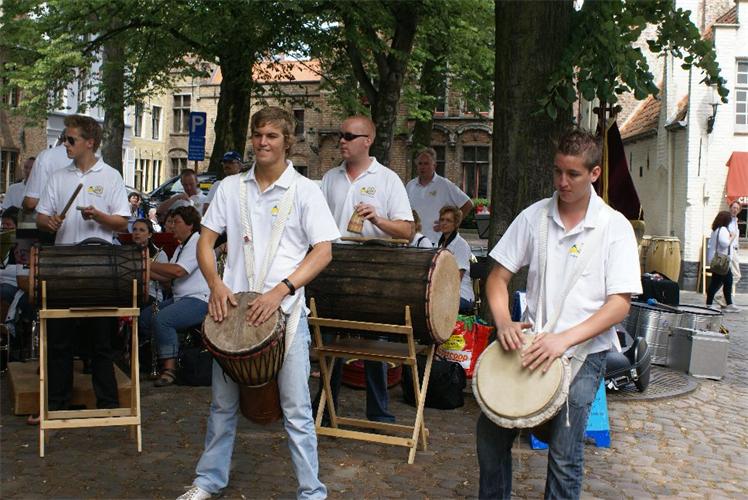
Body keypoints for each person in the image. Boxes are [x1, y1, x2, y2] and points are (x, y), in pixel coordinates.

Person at [179, 106, 338, 500]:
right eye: (258, 135)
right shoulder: (230, 188)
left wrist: (282, 289)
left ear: (288, 141)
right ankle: (208, 480)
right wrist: (215, 284)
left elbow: (323, 251)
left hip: (286, 314)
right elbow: (205, 241)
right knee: (221, 406)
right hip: (232, 313)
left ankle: (311, 492)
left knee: (297, 410)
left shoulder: (306, 191)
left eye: (272, 136)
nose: (262, 142)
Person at [476, 129, 641, 499]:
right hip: (532, 345)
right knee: (491, 433)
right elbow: (498, 277)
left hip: (585, 350)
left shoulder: (614, 227)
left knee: (565, 451)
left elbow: (619, 303)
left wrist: (563, 340)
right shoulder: (534, 217)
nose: (562, 182)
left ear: (594, 174)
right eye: (557, 171)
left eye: (573, 174)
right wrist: (503, 321)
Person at [316, 115, 413, 426]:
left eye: (348, 136)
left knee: (374, 341)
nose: (341, 141)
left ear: (367, 140)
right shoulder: (330, 177)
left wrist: (378, 219)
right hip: (334, 265)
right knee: (328, 339)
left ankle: (378, 411)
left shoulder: (388, 179)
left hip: (373, 268)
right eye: (340, 134)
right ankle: (325, 408)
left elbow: (407, 230)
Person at [35, 114, 130, 412]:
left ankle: (108, 404)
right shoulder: (58, 177)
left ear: (90, 142)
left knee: (101, 342)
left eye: (71, 139)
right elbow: (40, 216)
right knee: (59, 341)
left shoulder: (111, 176)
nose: (65, 144)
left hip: (99, 267)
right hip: (63, 266)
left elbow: (122, 222)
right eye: (65, 138)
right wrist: (48, 222)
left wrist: (99, 216)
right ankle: (57, 404)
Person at [145, 206, 210, 387]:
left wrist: (147, 263)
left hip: (199, 299)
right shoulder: (182, 246)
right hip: (181, 299)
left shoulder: (197, 243)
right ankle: (154, 361)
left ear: (190, 225)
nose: (172, 226)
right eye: (171, 222)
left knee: (163, 320)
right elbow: (167, 277)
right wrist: (143, 270)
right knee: (144, 318)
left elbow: (178, 271)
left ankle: (170, 370)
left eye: (177, 222)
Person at [405, 147, 472, 244]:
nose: (422, 167)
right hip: (414, 241)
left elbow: (468, 204)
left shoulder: (445, 184)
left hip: (437, 241)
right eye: (420, 163)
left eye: (426, 163)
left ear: (434, 165)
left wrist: (453, 225)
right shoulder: (410, 186)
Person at [437, 205, 475, 314]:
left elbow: (457, 278)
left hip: (462, 296)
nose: (444, 223)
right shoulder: (439, 244)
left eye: (448, 220)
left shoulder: (461, 245)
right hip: (444, 294)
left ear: (456, 224)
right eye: (442, 220)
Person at [23, 138, 71, 212]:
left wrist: (24, 205)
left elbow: (31, 203)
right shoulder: (90, 158)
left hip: (52, 216)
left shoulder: (47, 156)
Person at [706, 210, 739, 313]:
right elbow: (725, 243)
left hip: (718, 260)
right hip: (721, 261)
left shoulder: (716, 229)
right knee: (722, 282)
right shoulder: (723, 230)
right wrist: (732, 237)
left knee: (723, 281)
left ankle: (726, 304)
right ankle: (712, 304)